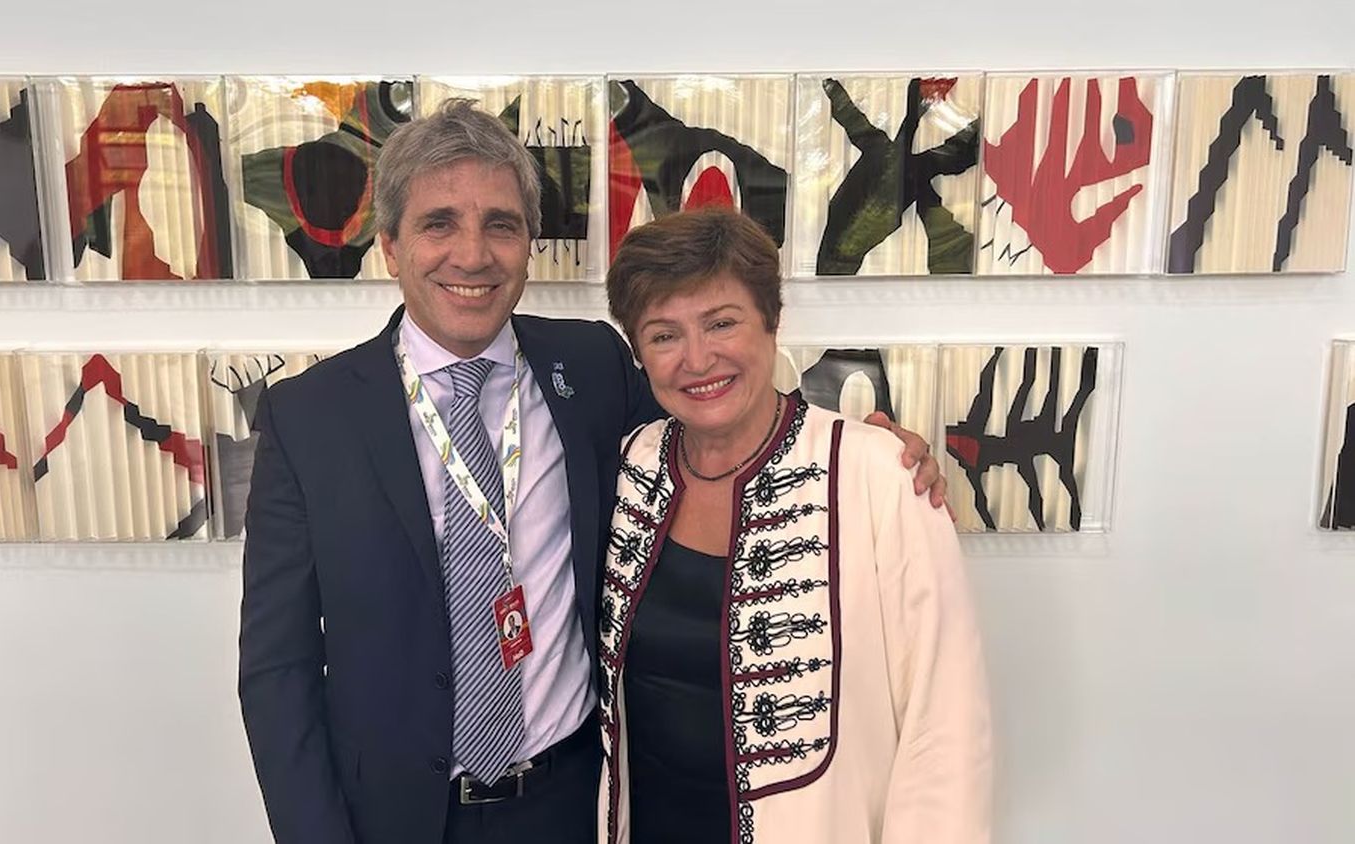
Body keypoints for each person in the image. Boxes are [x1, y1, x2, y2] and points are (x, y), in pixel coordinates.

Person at [238, 99, 948, 844]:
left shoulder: (591, 363)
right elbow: (278, 666)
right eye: (439, 222)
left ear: (529, 243)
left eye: (501, 225)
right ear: (389, 245)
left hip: (576, 803)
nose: (473, 254)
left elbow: (717, 413)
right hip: (395, 818)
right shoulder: (308, 417)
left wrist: (855, 451)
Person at [598, 208, 991, 844]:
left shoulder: (882, 477)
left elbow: (943, 726)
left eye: (721, 323)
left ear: (772, 323)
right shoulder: (628, 465)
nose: (698, 359)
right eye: (664, 335)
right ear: (639, 354)